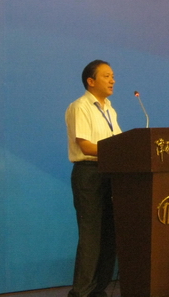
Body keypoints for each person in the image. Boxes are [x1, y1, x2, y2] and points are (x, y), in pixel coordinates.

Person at [65, 60, 122, 297]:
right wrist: (117, 150)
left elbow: (119, 142)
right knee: (91, 236)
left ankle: (99, 290)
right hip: (88, 175)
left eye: (113, 76)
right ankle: (81, 292)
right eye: (106, 76)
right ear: (91, 81)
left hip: (111, 174)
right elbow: (86, 146)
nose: (112, 80)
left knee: (109, 235)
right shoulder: (80, 107)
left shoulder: (110, 109)